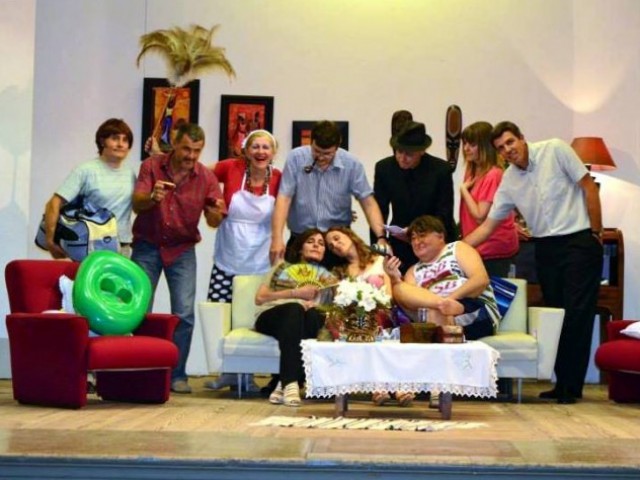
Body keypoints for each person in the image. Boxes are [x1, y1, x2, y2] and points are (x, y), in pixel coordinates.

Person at [463, 121, 603, 404]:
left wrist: (596, 232)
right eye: (501, 148)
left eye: (510, 142)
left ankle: (571, 386)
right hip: (546, 248)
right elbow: (488, 225)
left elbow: (589, 186)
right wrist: (457, 248)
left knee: (578, 314)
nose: (508, 150)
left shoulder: (555, 149)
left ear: (522, 138)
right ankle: (561, 384)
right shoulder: (509, 180)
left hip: (578, 241)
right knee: (556, 314)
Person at [132, 122, 226, 394]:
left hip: (182, 249)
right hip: (147, 245)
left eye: (197, 151)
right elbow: (137, 203)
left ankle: (177, 376)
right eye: (186, 149)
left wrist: (215, 213)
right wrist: (152, 197)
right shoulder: (151, 166)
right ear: (174, 144)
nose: (191, 156)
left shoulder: (206, 177)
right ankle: (139, 371)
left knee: (183, 314)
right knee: (138, 310)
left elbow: (214, 220)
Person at [382, 215, 501, 406]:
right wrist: (395, 279)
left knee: (436, 312)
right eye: (413, 238)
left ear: (440, 236)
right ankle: (436, 386)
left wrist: (451, 300)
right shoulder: (413, 271)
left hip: (472, 306)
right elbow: (414, 313)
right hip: (437, 314)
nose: (417, 242)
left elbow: (480, 280)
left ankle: (433, 385)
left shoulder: (457, 249)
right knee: (401, 289)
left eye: (422, 235)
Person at [204, 129, 282, 392]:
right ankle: (228, 372)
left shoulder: (280, 178)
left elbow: (292, 205)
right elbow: (199, 173)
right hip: (228, 255)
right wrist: (210, 204)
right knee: (220, 314)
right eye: (255, 147)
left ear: (273, 152)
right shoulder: (230, 168)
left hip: (261, 260)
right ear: (246, 150)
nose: (260, 152)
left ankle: (247, 376)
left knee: (249, 317)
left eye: (266, 147)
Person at [269, 120, 388, 269]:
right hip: (302, 240)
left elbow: (368, 203)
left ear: (337, 148)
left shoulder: (351, 164)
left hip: (337, 243)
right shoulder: (296, 158)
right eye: (316, 151)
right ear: (311, 142)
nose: (320, 157)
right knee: (294, 282)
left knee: (340, 283)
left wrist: (381, 237)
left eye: (327, 154)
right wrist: (277, 238)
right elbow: (284, 198)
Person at [254, 228, 334, 407]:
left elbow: (333, 308)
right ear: (300, 249)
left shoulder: (327, 277)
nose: (316, 245)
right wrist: (295, 293)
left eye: (321, 244)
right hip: (273, 315)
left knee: (313, 315)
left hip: (304, 319)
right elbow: (260, 298)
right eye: (310, 241)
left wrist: (317, 305)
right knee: (295, 309)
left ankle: (286, 383)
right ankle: (293, 381)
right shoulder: (283, 267)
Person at [43, 118, 136, 258]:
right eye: (115, 138)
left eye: (125, 140)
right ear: (102, 141)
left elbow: (139, 205)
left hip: (123, 247)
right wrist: (50, 241)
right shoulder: (86, 170)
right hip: (92, 248)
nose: (120, 144)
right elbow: (54, 203)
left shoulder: (130, 173)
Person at [373, 121, 456, 274]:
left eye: (409, 154)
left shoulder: (440, 170)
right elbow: (378, 208)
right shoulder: (384, 168)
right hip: (400, 242)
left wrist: (418, 232)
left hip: (433, 241)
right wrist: (380, 238)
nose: (402, 158)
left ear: (422, 151)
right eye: (399, 151)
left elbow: (444, 211)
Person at [459, 121, 519, 277]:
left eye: (472, 144)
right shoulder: (472, 170)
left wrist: (464, 190)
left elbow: (480, 216)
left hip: (493, 249)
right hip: (477, 246)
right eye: (465, 143)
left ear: (485, 146)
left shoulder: (493, 174)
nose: (466, 149)